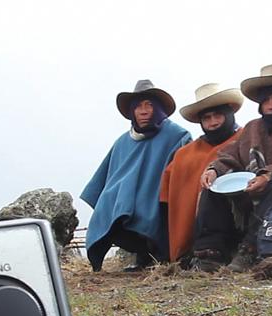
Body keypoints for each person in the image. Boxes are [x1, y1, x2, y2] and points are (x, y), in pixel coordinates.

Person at [194, 64, 272, 272]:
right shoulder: (253, 127)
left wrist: (268, 175)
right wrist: (214, 170)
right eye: (265, 100)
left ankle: (251, 249)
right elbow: (231, 154)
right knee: (214, 188)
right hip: (250, 191)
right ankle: (211, 253)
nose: (271, 105)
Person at [81, 80, 190, 272]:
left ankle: (160, 255)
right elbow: (105, 181)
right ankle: (143, 255)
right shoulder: (123, 142)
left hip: (161, 199)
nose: (144, 111)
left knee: (144, 207)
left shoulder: (176, 135)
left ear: (158, 108)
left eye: (149, 104)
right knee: (111, 206)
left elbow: (184, 171)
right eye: (138, 106)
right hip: (126, 202)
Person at [159, 83, 243, 265]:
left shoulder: (245, 138)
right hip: (191, 234)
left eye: (218, 115)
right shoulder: (184, 154)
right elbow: (166, 196)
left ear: (229, 114)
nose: (213, 122)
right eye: (207, 118)